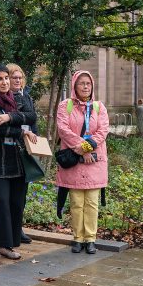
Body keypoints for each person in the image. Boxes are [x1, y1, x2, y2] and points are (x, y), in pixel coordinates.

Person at [0, 64, 36, 267]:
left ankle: (8, 245)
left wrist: (9, 117)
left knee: (16, 203)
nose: (4, 82)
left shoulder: (17, 99)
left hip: (18, 161)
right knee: (0, 202)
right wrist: (20, 132)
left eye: (6, 78)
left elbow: (31, 116)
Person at [55, 70, 109, 254]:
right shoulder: (65, 106)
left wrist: (86, 148)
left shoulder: (99, 107)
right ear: (74, 86)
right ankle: (78, 238)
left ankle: (91, 239)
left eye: (88, 83)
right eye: (81, 83)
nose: (85, 86)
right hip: (74, 161)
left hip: (94, 161)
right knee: (77, 202)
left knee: (92, 202)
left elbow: (103, 131)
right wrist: (82, 149)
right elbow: (63, 130)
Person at [5, 63, 40, 247]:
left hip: (25, 150)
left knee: (21, 195)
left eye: (20, 78)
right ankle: (8, 231)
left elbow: (32, 121)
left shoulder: (26, 97)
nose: (17, 80)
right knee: (8, 195)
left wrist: (37, 140)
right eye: (14, 77)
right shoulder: (4, 99)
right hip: (9, 149)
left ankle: (18, 229)